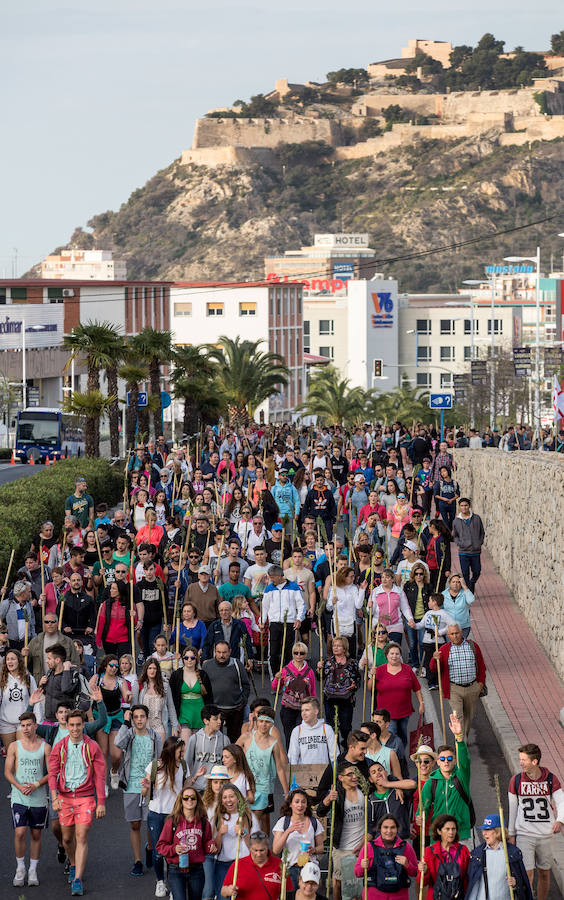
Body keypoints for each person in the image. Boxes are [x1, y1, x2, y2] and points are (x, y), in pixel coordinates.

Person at [48, 709, 106, 896]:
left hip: (85, 798)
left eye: (78, 725)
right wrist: (55, 797)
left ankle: (78, 879)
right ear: (67, 724)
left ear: (83, 725)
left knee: (81, 837)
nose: (75, 728)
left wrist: (101, 802)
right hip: (64, 798)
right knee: (66, 838)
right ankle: (72, 863)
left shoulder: (92, 746)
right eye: (71, 725)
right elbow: (52, 773)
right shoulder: (60, 746)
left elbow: (99, 776)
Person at [507, 743, 564, 900]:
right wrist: (511, 834)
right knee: (527, 874)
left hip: (546, 835)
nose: (521, 763)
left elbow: (561, 801)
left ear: (535, 761)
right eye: (520, 759)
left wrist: (560, 820)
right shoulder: (516, 780)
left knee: (544, 874)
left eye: (524, 760)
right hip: (525, 834)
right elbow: (512, 809)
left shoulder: (551, 779)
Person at [115, 703, 163, 877]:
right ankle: (137, 861)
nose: (139, 720)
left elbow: (159, 761)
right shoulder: (129, 734)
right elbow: (117, 743)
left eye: (142, 716)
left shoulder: (155, 737)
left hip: (149, 785)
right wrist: (125, 723)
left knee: (151, 822)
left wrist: (155, 782)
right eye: (136, 717)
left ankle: (150, 848)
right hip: (131, 784)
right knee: (135, 824)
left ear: (147, 718)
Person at [5, 711, 51, 887]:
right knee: (20, 832)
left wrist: (36, 785)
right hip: (19, 797)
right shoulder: (14, 747)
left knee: (36, 834)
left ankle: (32, 870)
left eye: (29, 725)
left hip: (39, 797)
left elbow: (52, 772)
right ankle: (20, 868)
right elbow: (8, 772)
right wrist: (19, 787)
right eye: (22, 726)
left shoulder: (45, 747)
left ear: (35, 725)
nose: (25, 729)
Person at [419, 713, 473, 846]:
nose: (446, 762)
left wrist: (459, 738)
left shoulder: (461, 777)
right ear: (437, 762)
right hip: (439, 836)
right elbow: (423, 806)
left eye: (450, 759)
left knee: (463, 867)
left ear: (455, 761)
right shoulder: (431, 782)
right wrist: (419, 816)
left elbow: (465, 760)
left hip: (461, 834)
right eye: (442, 759)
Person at [156, 785, 215, 900]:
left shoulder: (203, 822)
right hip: (176, 869)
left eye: (193, 798)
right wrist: (174, 849)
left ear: (197, 801)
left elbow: (207, 842)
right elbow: (160, 846)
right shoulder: (172, 822)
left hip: (196, 869)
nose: (189, 800)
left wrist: (211, 846)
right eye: (186, 798)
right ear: (181, 801)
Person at [318, 760, 366, 900]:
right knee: (338, 883)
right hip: (341, 847)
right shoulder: (336, 793)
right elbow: (320, 812)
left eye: (355, 773)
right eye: (349, 774)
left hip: (361, 846)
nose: (354, 777)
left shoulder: (364, 790)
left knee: (361, 884)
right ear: (340, 777)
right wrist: (328, 799)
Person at [236, 706, 289, 830]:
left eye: (267, 722)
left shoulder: (273, 743)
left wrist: (286, 792)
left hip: (263, 787)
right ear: (257, 721)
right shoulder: (246, 737)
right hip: (245, 785)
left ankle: (254, 847)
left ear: (272, 724)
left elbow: (279, 768)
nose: (263, 725)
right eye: (261, 721)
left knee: (253, 823)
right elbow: (232, 754)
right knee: (244, 821)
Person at [430, 624, 486, 740]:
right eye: (451, 634)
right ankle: (461, 743)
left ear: (461, 632)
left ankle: (463, 737)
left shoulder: (473, 646)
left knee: (468, 717)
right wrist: (435, 660)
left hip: (472, 687)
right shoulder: (444, 650)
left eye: (457, 633)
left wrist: (480, 684)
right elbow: (434, 669)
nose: (455, 636)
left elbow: (481, 665)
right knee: (458, 717)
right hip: (454, 689)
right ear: (448, 635)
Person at [467, 812, 533, 900]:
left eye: (488, 830)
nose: (484, 833)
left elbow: (523, 883)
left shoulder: (513, 853)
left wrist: (515, 883)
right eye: (483, 830)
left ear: (498, 831)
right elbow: (472, 884)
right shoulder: (477, 854)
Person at [211, 784, 258, 900]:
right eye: (225, 797)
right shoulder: (217, 817)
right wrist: (220, 834)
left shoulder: (249, 816)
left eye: (231, 796)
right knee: (224, 897)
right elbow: (215, 849)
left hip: (244, 863)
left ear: (238, 798)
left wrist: (244, 834)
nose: (228, 800)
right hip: (223, 865)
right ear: (221, 800)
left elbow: (256, 847)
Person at [372, 643, 424, 749]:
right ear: (387, 655)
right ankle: (393, 759)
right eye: (392, 653)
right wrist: (372, 675)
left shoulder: (407, 669)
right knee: (391, 736)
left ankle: (400, 756)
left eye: (397, 654)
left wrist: (421, 703)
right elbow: (370, 688)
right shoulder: (379, 670)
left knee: (402, 736)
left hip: (404, 711)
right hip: (386, 713)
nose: (394, 656)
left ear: (400, 655)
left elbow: (417, 688)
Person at [272, 788, 324, 888]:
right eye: (296, 802)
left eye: (303, 802)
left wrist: (314, 850)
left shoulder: (314, 822)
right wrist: (288, 831)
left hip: (309, 868)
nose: (300, 805)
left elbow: (321, 848)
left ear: (307, 805)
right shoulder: (283, 822)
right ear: (290, 804)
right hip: (290, 868)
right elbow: (276, 849)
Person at [220, 829, 293, 900]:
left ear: (267, 848)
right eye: (255, 850)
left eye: (262, 850)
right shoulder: (238, 864)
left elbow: (288, 891)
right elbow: (223, 891)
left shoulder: (279, 864)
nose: (258, 854)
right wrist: (228, 890)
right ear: (250, 848)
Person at [201, 642, 250, 742]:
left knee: (235, 740)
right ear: (214, 652)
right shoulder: (207, 666)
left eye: (224, 652)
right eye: (218, 652)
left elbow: (246, 685)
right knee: (216, 739)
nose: (221, 655)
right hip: (216, 710)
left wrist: (243, 701)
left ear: (230, 652)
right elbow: (203, 687)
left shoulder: (237, 664)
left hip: (235, 709)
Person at [96, 653, 131, 790]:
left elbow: (125, 694)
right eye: (112, 665)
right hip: (102, 717)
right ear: (105, 665)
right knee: (103, 753)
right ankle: (104, 784)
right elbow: (88, 692)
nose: (114, 668)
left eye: (117, 666)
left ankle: (114, 772)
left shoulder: (120, 681)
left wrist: (128, 696)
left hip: (116, 716)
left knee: (116, 754)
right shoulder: (97, 679)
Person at [262, 565, 305, 675]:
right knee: (273, 652)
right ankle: (275, 678)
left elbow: (301, 605)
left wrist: (299, 619)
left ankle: (289, 677)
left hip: (290, 623)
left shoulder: (294, 587)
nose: (271, 580)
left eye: (272, 577)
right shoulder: (269, 588)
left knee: (289, 652)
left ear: (280, 576)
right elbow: (265, 607)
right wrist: (262, 622)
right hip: (274, 623)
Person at [271, 641, 316, 746]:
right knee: (289, 734)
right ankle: (291, 759)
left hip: (303, 708)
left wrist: (314, 708)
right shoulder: (285, 670)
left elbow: (312, 691)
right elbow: (275, 688)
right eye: (296, 653)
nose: (298, 655)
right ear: (292, 654)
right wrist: (277, 678)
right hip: (287, 707)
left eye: (302, 653)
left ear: (305, 654)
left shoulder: (309, 671)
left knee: (302, 734)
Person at [319, 636, 361, 748]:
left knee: (346, 727)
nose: (335, 648)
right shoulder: (327, 662)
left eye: (338, 646)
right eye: (334, 646)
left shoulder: (352, 663)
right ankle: (335, 750)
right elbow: (320, 678)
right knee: (331, 726)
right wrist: (319, 670)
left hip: (346, 698)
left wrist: (354, 686)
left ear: (344, 648)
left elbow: (357, 680)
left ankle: (347, 747)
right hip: (329, 698)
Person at [417, 813, 470, 899]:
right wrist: (424, 871)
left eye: (453, 829)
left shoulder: (463, 850)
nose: (451, 832)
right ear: (439, 831)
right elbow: (422, 882)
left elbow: (467, 878)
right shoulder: (429, 851)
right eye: (447, 829)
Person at [133, 658, 179, 745]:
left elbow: (171, 706)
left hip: (159, 726)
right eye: (150, 668)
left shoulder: (164, 686)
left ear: (158, 670)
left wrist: (175, 726)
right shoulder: (139, 685)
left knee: (159, 756)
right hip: (143, 726)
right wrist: (133, 727)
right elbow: (133, 708)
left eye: (154, 668)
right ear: (146, 670)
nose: (152, 671)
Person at [0, 649, 39, 752]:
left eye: (13, 659)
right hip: (5, 723)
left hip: (24, 722)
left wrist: (38, 721)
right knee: (10, 755)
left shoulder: (28, 678)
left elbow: (36, 700)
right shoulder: (2, 679)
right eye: (7, 659)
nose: (10, 662)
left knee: (22, 753)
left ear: (19, 661)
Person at [170, 644, 209, 744]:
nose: (189, 660)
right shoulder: (176, 675)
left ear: (196, 659)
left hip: (200, 715)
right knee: (185, 747)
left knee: (199, 749)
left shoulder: (203, 674)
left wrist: (209, 718)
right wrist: (174, 721)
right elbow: (172, 699)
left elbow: (209, 698)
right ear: (183, 659)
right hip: (183, 715)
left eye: (192, 657)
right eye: (186, 658)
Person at [414, 593, 455, 685]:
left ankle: (439, 679)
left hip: (439, 641)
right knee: (429, 661)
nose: (428, 603)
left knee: (439, 660)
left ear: (435, 602)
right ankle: (431, 681)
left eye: (429, 601)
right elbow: (421, 624)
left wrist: (441, 632)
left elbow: (452, 624)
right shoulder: (428, 613)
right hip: (427, 641)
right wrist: (414, 625)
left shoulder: (443, 613)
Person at [326, 566, 366, 659]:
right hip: (337, 622)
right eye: (351, 576)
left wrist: (362, 590)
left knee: (350, 647)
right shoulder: (334, 588)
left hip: (350, 621)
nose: (353, 578)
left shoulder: (354, 588)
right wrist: (332, 602)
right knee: (338, 646)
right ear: (344, 577)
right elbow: (328, 608)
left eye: (354, 576)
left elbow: (358, 605)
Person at [369, 569, 413, 647]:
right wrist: (369, 607)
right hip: (379, 627)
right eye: (382, 577)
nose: (384, 579)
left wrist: (410, 619)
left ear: (393, 579)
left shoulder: (399, 591)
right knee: (381, 649)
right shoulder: (375, 591)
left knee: (394, 650)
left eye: (387, 577)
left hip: (395, 625)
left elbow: (405, 608)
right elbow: (370, 612)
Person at [288, 697, 335, 766]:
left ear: (316, 711)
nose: (303, 713)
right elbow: (293, 756)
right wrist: (294, 775)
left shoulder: (327, 729)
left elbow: (334, 755)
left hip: (324, 773)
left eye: (307, 710)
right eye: (302, 710)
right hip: (304, 773)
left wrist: (335, 773)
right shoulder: (297, 731)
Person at [403, 563, 431, 671]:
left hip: (423, 618)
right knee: (412, 643)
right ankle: (415, 664)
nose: (418, 576)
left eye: (421, 574)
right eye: (416, 574)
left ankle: (423, 664)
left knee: (422, 642)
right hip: (410, 618)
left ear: (424, 574)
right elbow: (403, 602)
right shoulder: (408, 586)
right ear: (413, 574)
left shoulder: (429, 586)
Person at [452, 499, 485, 593]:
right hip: (463, 552)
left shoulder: (477, 518)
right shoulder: (456, 521)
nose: (464, 507)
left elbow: (482, 532)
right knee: (465, 573)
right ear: (459, 507)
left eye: (466, 505)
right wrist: (460, 543)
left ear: (469, 506)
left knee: (477, 572)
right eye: (462, 505)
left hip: (475, 551)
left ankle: (472, 582)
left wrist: (479, 542)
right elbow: (455, 536)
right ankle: (468, 592)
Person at [442, 574, 475, 639]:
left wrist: (464, 586)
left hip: (463, 626)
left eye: (458, 582)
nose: (455, 584)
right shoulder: (443, 594)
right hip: (449, 627)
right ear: (449, 583)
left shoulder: (465, 593)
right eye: (453, 582)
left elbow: (471, 600)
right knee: (451, 646)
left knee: (461, 646)